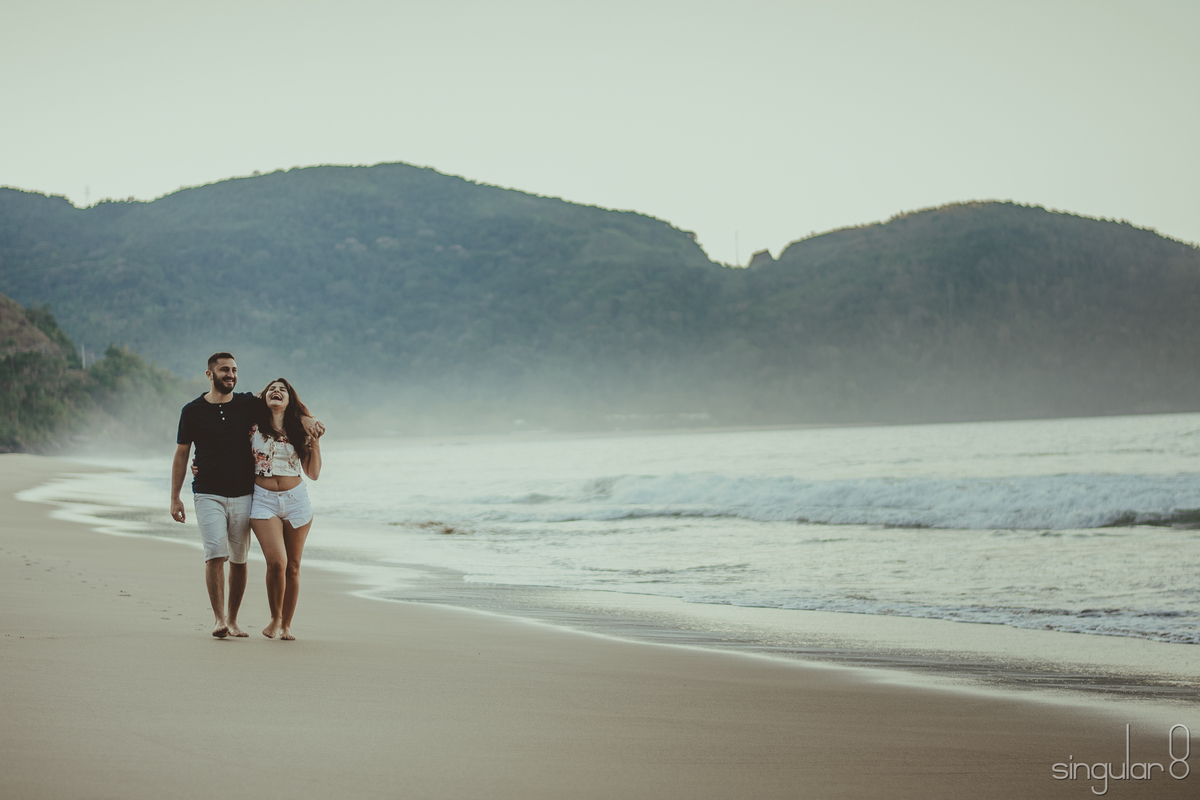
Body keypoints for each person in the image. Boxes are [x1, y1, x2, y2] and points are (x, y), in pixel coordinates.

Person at [171, 353, 323, 638]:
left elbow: (287, 409)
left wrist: (308, 423)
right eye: (224, 370)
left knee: (262, 562)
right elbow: (188, 451)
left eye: (234, 370)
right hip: (233, 495)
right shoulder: (211, 415)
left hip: (268, 497)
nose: (230, 374)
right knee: (232, 556)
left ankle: (259, 622)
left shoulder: (258, 411)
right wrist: (178, 492)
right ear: (210, 374)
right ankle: (227, 620)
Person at [247, 378, 321, 640]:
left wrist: (314, 439)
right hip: (263, 500)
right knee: (277, 562)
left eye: (283, 390)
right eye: (271, 389)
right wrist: (200, 466)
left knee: (293, 566)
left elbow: (313, 473)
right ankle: (275, 617)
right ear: (265, 397)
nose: (276, 391)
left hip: (296, 501)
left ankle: (287, 625)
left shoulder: (300, 429)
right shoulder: (252, 426)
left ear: (290, 400)